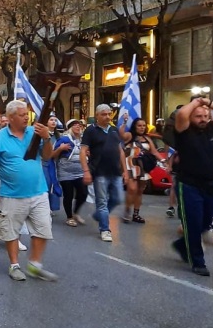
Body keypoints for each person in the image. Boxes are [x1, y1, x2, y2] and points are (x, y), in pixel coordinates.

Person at [0, 99, 58, 282]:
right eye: (22, 114)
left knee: (43, 229)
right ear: (10, 117)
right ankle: (14, 265)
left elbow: (48, 156)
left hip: (38, 192)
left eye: (27, 114)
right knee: (11, 232)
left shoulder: (35, 133)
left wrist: (47, 138)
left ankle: (35, 265)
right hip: (11, 194)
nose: (26, 117)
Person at [170, 96, 213, 276]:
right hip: (188, 184)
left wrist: (209, 103)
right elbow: (181, 114)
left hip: (209, 185)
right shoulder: (183, 130)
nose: (203, 119)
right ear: (190, 117)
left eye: (205, 116)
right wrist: (196, 102)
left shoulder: (212, 128)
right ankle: (198, 261)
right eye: (198, 116)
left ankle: (181, 244)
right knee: (193, 224)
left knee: (206, 222)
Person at [81, 104, 129, 243]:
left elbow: (120, 151)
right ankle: (105, 229)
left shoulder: (114, 130)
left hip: (116, 172)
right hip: (100, 172)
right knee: (101, 202)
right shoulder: (91, 130)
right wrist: (86, 171)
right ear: (97, 115)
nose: (107, 116)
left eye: (109, 114)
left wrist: (125, 171)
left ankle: (99, 215)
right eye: (104, 114)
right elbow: (83, 151)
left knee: (118, 199)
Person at [119, 116, 158, 224]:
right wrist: (125, 121)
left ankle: (136, 214)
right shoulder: (130, 136)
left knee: (140, 190)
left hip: (142, 166)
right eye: (139, 125)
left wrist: (164, 161)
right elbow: (121, 134)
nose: (141, 128)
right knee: (131, 189)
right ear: (135, 126)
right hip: (131, 164)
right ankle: (127, 210)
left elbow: (154, 152)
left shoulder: (147, 139)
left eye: (143, 126)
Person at [53, 119, 87, 227]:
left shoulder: (83, 140)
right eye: (75, 125)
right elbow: (53, 155)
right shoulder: (64, 139)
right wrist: (61, 148)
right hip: (65, 173)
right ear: (70, 128)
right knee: (69, 195)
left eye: (79, 125)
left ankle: (76, 212)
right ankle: (69, 217)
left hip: (79, 172)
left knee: (83, 193)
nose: (78, 127)